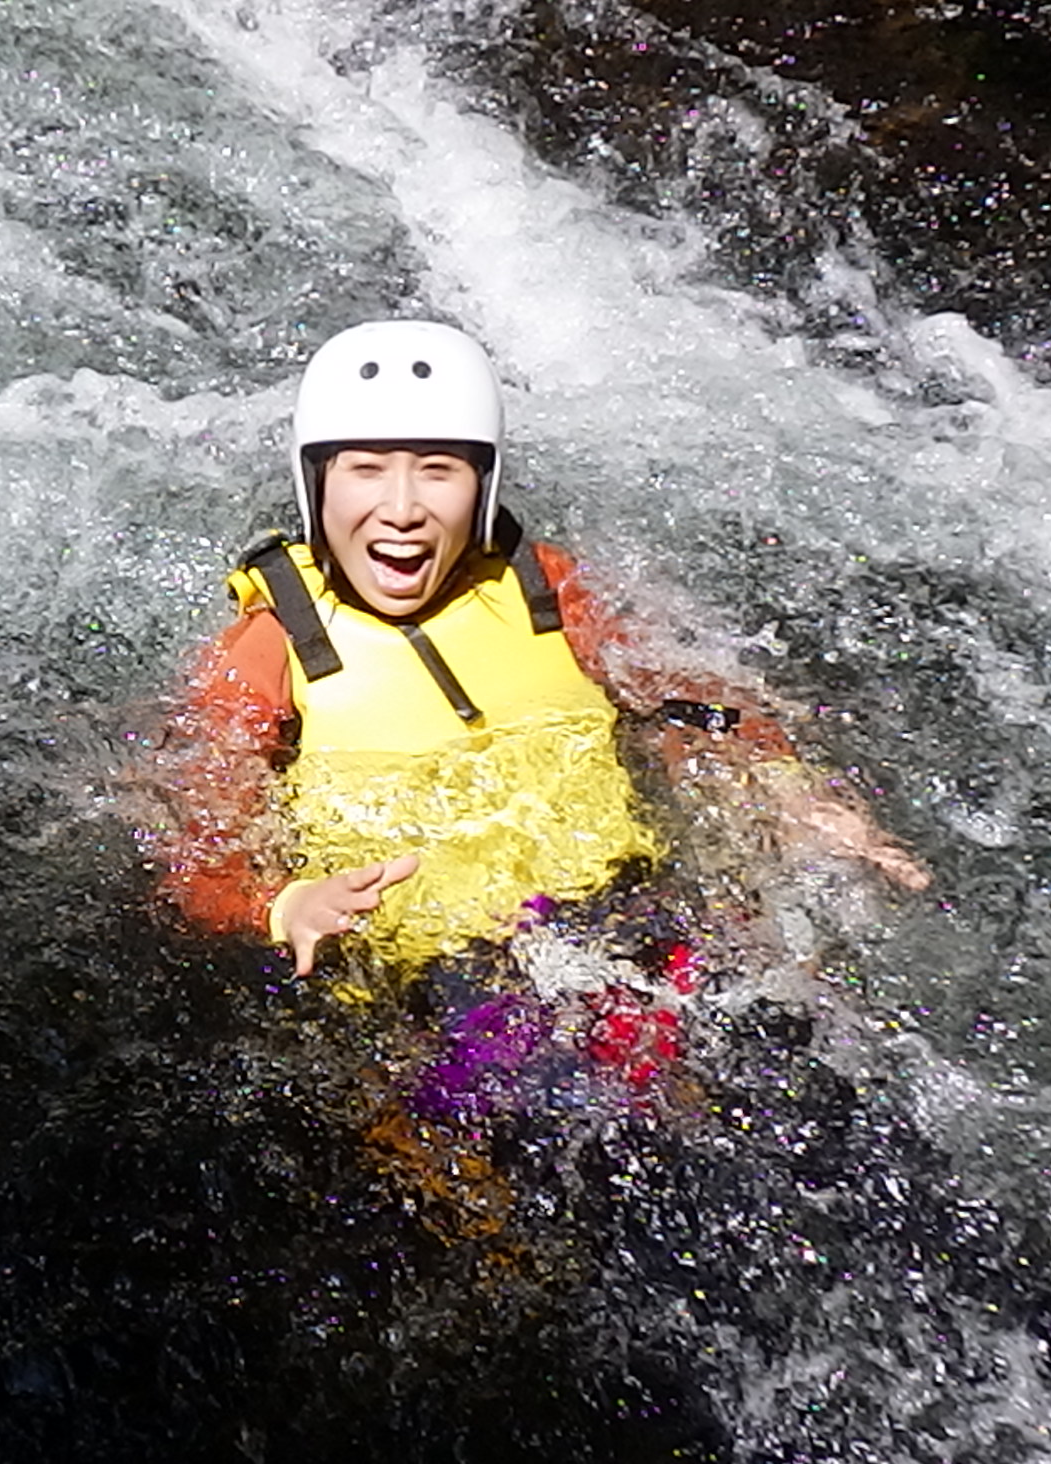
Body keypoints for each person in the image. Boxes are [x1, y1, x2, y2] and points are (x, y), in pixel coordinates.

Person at [149, 319, 924, 1114]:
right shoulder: (266, 648)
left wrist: (789, 789)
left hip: (631, 912)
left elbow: (689, 699)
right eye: (367, 472)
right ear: (316, 485)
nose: (403, 508)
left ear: (483, 487)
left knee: (823, 1083)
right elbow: (196, 868)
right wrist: (282, 907)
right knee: (585, 1140)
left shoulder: (542, 584)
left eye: (439, 473)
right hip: (449, 973)